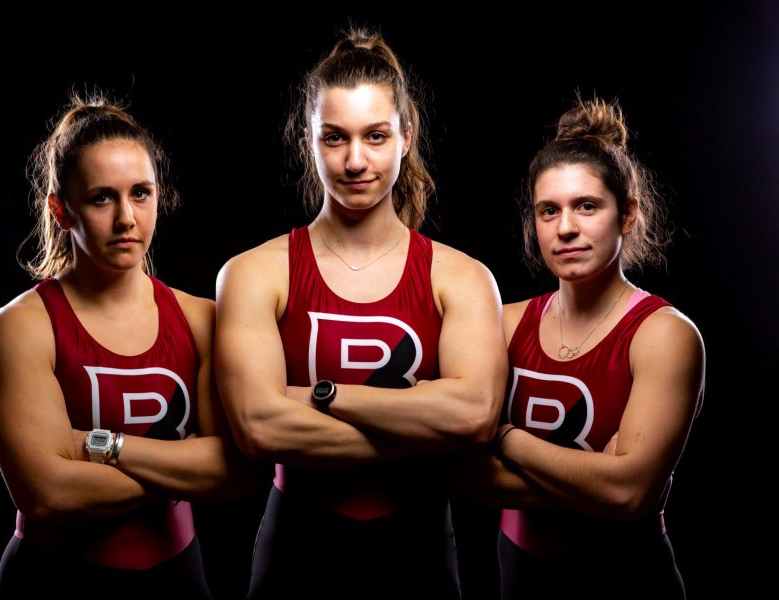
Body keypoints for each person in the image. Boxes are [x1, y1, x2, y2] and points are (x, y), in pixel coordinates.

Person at [213, 28, 508, 600]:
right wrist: (424, 421)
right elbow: (258, 428)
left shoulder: (462, 277)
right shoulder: (254, 272)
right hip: (297, 544)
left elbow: (474, 417)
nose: (355, 161)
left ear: (406, 136)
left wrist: (318, 394)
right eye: (334, 138)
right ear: (308, 141)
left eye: (375, 136)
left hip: (420, 546)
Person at [0, 91, 260, 599]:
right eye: (101, 197)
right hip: (51, 582)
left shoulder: (202, 320)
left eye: (141, 193)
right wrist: (186, 468)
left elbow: (236, 473)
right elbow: (47, 494)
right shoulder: (20, 328)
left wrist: (100, 447)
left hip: (175, 577)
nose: (127, 217)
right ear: (62, 211)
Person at [455, 96, 706, 599]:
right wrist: (596, 477)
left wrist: (505, 439)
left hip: (629, 580)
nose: (565, 227)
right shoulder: (503, 324)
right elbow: (462, 478)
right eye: (549, 211)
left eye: (586, 206)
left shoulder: (664, 334)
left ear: (627, 214)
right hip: (520, 575)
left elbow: (629, 493)